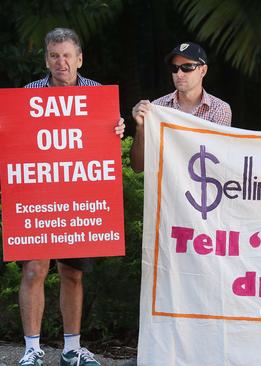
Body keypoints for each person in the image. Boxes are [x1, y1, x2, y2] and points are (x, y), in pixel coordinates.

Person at [20, 27, 125, 366]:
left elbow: (102, 144)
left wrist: (116, 129)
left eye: (67, 55)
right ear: (46, 59)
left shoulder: (96, 94)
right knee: (35, 269)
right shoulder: (29, 94)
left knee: (72, 272)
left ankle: (71, 349)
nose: (60, 62)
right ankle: (32, 350)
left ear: (79, 58)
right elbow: (17, 145)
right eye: (54, 55)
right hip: (39, 195)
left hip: (78, 196)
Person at [130, 42, 232, 172]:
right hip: (166, 191)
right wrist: (141, 128)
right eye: (174, 68)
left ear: (203, 70)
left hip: (203, 190)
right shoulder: (157, 107)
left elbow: (217, 164)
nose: (179, 74)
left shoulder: (219, 109)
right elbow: (138, 167)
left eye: (187, 67)